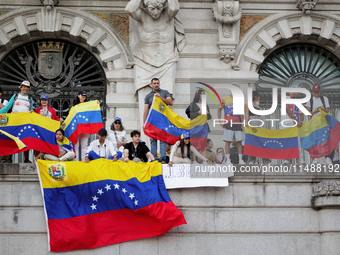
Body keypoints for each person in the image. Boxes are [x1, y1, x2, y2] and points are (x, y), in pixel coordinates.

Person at [0, 80, 34, 163]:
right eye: (24, 86)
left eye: (27, 87)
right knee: (13, 139)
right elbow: (7, 108)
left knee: (25, 140)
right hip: (14, 121)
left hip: (25, 122)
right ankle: (9, 158)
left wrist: (32, 112)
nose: (25, 88)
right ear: (21, 87)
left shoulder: (30, 99)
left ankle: (26, 159)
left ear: (29, 89)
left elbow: (31, 110)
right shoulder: (15, 96)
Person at [143, 78, 173, 162]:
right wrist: (144, 123)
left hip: (163, 120)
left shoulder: (165, 92)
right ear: (151, 84)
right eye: (154, 83)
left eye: (157, 83)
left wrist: (161, 98)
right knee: (153, 140)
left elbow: (171, 102)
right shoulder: (148, 96)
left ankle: (163, 158)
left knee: (163, 139)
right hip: (152, 121)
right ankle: (154, 159)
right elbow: (146, 110)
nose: (156, 84)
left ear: (159, 84)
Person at [217, 91, 246, 165]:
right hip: (228, 123)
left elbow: (241, 113)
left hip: (237, 123)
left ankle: (240, 160)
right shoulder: (225, 99)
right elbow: (219, 110)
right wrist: (220, 121)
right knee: (228, 141)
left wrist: (242, 123)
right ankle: (228, 160)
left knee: (239, 141)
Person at [306, 84, 331, 164]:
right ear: (313, 92)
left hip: (323, 121)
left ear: (320, 91)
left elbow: (327, 110)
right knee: (315, 140)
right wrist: (316, 111)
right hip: (315, 122)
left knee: (325, 139)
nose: (316, 94)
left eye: (318, 92)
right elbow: (308, 113)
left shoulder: (324, 99)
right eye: (315, 92)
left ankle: (327, 157)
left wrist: (322, 109)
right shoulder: (310, 100)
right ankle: (315, 157)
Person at [244, 91, 271, 165]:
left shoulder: (258, 107)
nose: (259, 98)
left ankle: (266, 161)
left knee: (262, 142)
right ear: (255, 96)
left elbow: (261, 117)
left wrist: (264, 127)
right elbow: (246, 114)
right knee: (252, 142)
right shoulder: (247, 105)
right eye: (258, 96)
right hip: (251, 122)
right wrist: (246, 123)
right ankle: (251, 160)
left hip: (259, 123)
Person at [279, 91, 305, 165]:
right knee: (285, 141)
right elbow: (287, 109)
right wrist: (294, 120)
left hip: (294, 125)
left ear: (297, 93)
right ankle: (286, 159)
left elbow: (301, 113)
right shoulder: (286, 98)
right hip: (285, 123)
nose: (293, 93)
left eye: (295, 92)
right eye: (292, 92)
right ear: (289, 93)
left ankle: (299, 159)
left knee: (297, 142)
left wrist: (301, 121)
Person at [73, 90, 90, 161]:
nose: (83, 97)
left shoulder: (89, 105)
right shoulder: (74, 106)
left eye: (85, 95)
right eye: (82, 95)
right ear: (78, 95)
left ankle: (84, 161)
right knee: (76, 145)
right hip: (77, 128)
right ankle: (76, 161)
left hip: (85, 128)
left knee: (84, 145)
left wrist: (97, 103)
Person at [0, 86, 9, 163]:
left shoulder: (4, 101)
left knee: (3, 142)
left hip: (3, 125)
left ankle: (4, 160)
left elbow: (5, 109)